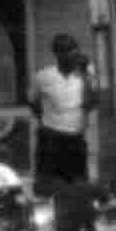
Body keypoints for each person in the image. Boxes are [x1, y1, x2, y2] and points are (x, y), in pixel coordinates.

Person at [28, 32, 95, 193]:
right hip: (51, 140)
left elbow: (90, 104)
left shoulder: (87, 75)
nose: (74, 54)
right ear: (57, 54)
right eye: (67, 50)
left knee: (79, 186)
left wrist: (86, 76)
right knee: (48, 186)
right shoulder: (43, 77)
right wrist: (47, 120)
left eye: (74, 49)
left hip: (75, 139)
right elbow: (33, 102)